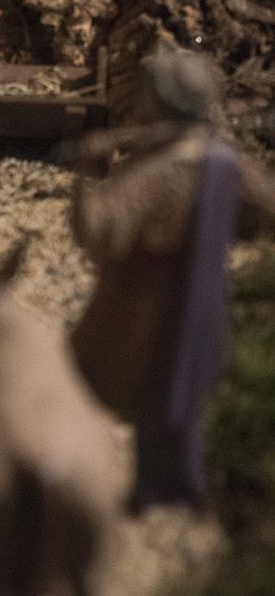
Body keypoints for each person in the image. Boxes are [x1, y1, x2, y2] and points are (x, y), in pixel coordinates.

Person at [68, 48, 275, 513]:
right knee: (189, 387)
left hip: (146, 304)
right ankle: (182, 481)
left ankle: (159, 488)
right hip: (204, 297)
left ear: (161, 105)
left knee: (152, 390)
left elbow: (98, 232)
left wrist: (86, 173)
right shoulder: (227, 162)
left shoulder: (159, 173)